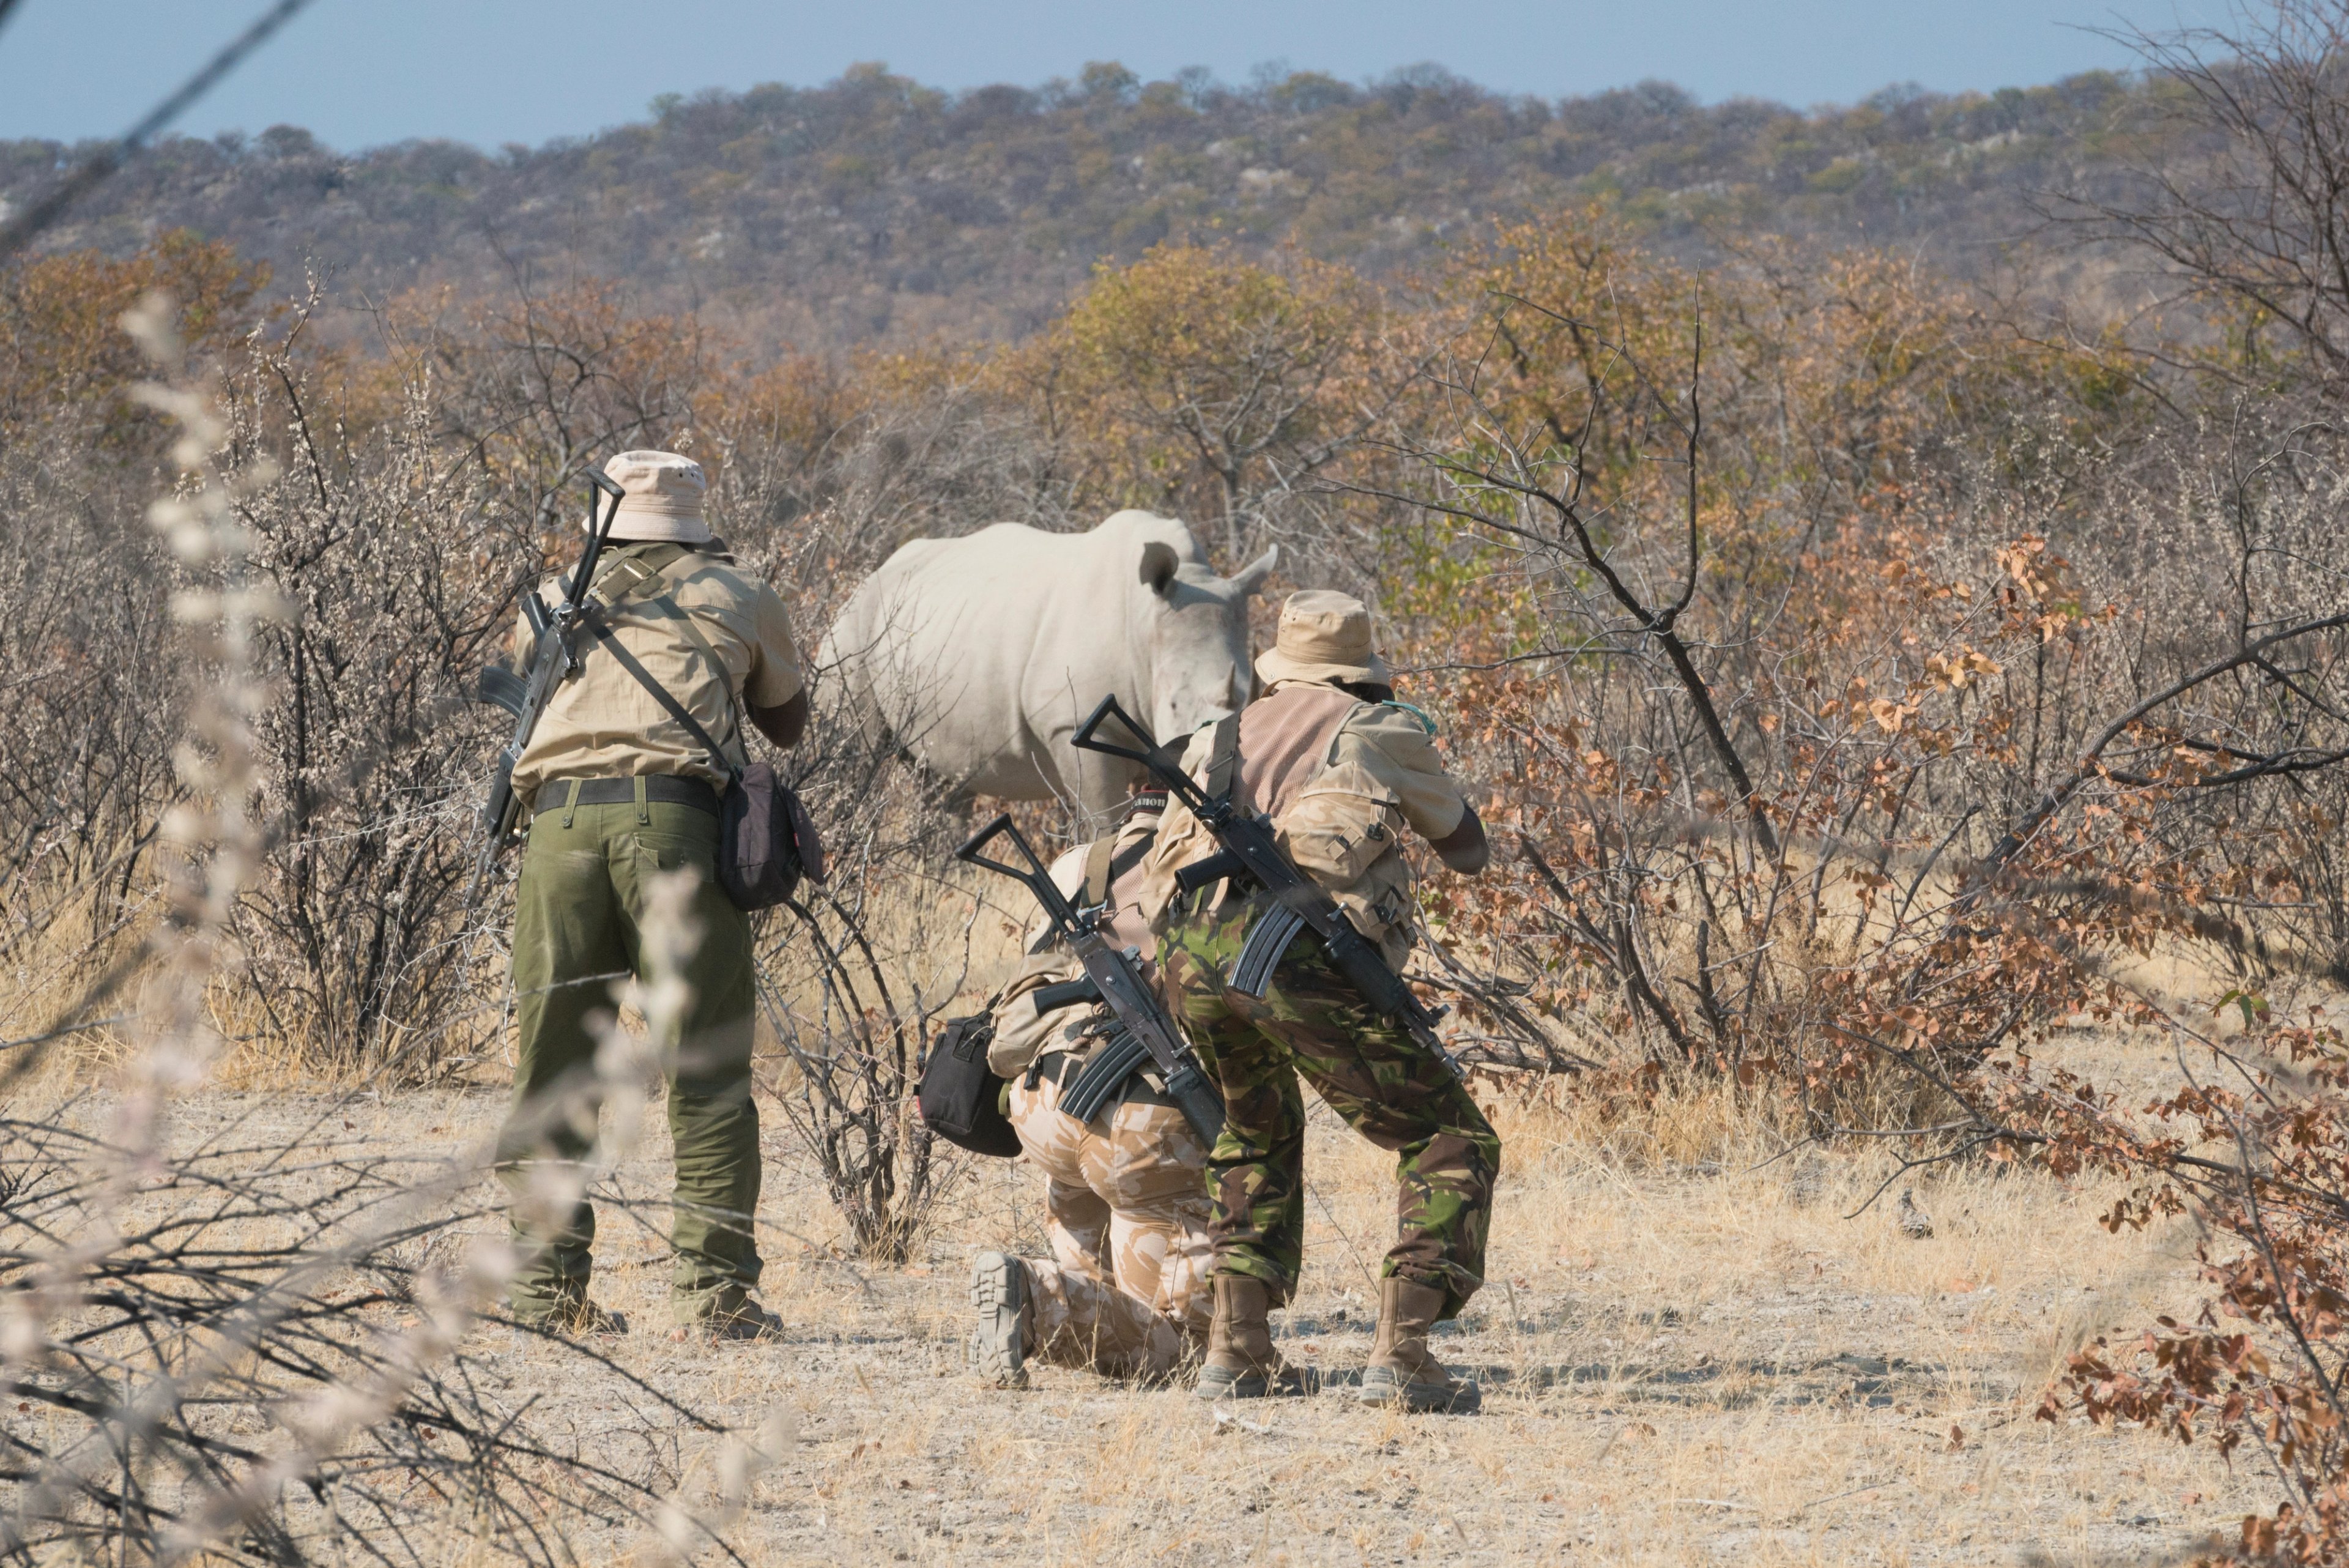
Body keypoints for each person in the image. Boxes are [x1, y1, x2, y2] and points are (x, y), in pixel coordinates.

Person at [1142, 589, 1498, 1412]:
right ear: (1361, 669)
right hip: (1289, 952)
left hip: (1189, 958)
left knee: (1254, 1132)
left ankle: (1237, 1351)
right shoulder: (1383, 728)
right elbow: (1469, 849)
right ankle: (1404, 1357)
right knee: (1448, 1136)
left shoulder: (1218, 736)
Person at [494, 449, 809, 1341]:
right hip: (674, 828)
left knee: (554, 1071)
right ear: (692, 520)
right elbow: (786, 722)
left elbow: (524, 689)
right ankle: (715, 1297)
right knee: (704, 1069)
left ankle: (545, 1293)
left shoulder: (553, 599)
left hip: (556, 832)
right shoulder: (738, 591)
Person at [969, 790, 1215, 1385]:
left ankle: (1072, 1296)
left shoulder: (1077, 865)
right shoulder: (1210, 860)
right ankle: (1032, 1297)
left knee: (1103, 1279)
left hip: (1047, 1105)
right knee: (1188, 1351)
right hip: (1140, 1131)